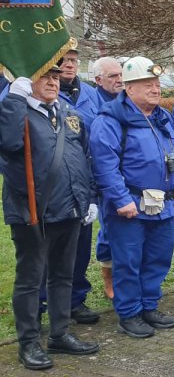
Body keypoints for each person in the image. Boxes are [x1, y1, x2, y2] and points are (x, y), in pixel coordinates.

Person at [1, 67, 100, 370]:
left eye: (55, 77)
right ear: (25, 82)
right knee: (31, 280)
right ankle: (28, 342)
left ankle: (59, 333)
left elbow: (84, 157)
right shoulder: (16, 112)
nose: (53, 82)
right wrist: (14, 102)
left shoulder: (68, 111)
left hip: (69, 209)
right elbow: (9, 144)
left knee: (62, 276)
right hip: (34, 212)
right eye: (44, 76)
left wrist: (89, 198)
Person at [89, 56, 174, 338]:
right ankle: (129, 313)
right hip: (130, 206)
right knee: (129, 261)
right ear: (129, 88)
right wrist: (121, 200)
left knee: (157, 259)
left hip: (164, 204)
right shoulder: (110, 120)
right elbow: (105, 165)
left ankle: (148, 306)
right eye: (148, 84)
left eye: (156, 84)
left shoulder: (163, 117)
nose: (156, 89)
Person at [50, 41, 101, 325]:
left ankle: (75, 299)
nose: (69, 64)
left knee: (81, 245)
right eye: (64, 59)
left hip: (85, 178)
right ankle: (47, 301)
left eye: (73, 59)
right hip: (54, 183)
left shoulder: (91, 94)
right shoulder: (42, 93)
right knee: (53, 247)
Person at [90, 55, 124, 301]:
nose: (119, 80)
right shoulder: (94, 103)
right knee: (108, 232)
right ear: (98, 79)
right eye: (113, 76)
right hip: (102, 175)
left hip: (128, 176)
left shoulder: (127, 100)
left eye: (121, 75)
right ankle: (109, 279)